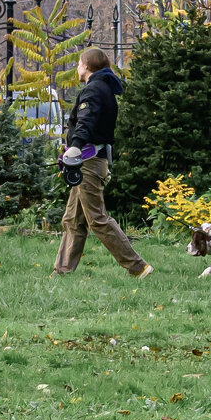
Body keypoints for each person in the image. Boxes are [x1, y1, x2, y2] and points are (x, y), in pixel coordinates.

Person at [53, 47, 154, 278]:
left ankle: (138, 267)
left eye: (79, 63)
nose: (77, 67)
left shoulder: (94, 90)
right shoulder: (103, 88)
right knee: (73, 219)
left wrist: (75, 146)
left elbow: (86, 120)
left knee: (97, 219)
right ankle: (62, 271)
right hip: (88, 161)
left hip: (88, 163)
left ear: (87, 66)